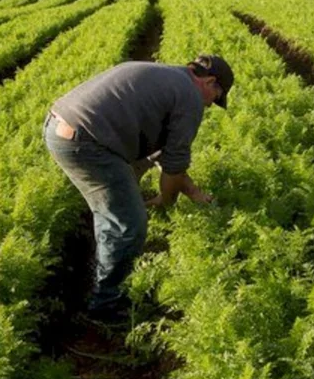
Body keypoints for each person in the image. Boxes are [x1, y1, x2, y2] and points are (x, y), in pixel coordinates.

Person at [44, 54, 234, 321]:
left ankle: (103, 256)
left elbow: (162, 153)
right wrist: (166, 202)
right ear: (210, 82)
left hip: (60, 125)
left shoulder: (167, 77)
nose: (212, 104)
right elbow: (174, 165)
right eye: (217, 97)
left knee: (123, 194)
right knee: (128, 223)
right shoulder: (190, 97)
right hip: (88, 142)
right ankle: (105, 304)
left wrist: (192, 192)